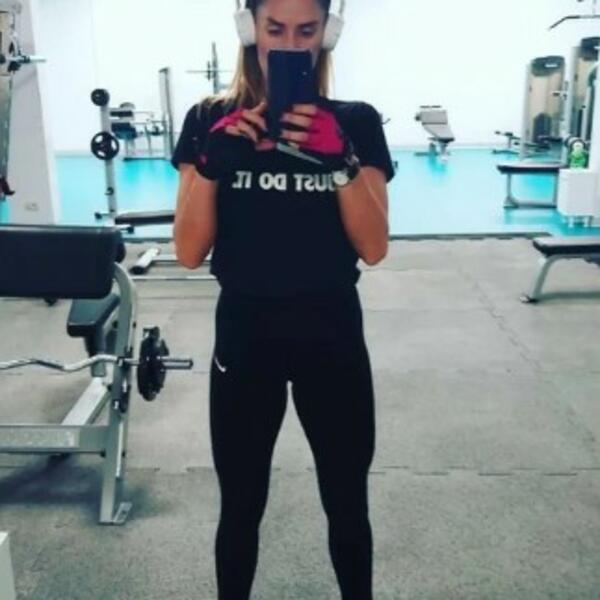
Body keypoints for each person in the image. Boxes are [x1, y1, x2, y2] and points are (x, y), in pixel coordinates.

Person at [172, 0, 394, 598]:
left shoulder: (356, 122)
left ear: (328, 34)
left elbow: (374, 247)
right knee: (240, 505)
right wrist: (211, 168)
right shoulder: (208, 120)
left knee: (347, 503)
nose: (291, 45)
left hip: (332, 336)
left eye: (306, 30)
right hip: (246, 338)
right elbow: (188, 252)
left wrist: (342, 163)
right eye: (275, 29)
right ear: (249, 29)